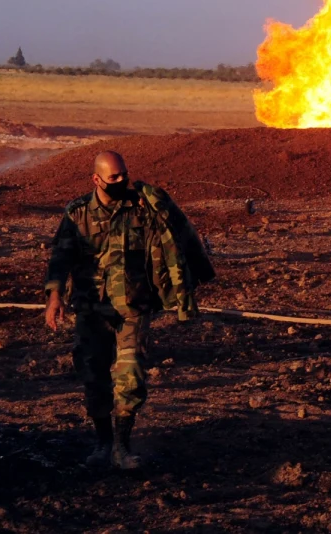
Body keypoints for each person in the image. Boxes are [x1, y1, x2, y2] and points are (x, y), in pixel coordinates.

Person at [44, 150, 213, 469]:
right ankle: (103, 443)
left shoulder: (142, 207)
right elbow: (60, 257)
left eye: (124, 174)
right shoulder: (78, 213)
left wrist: (189, 281)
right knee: (93, 376)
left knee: (130, 376)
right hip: (91, 310)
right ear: (96, 179)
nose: (122, 180)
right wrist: (54, 296)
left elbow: (176, 235)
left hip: (133, 307)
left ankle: (122, 446)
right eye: (114, 177)